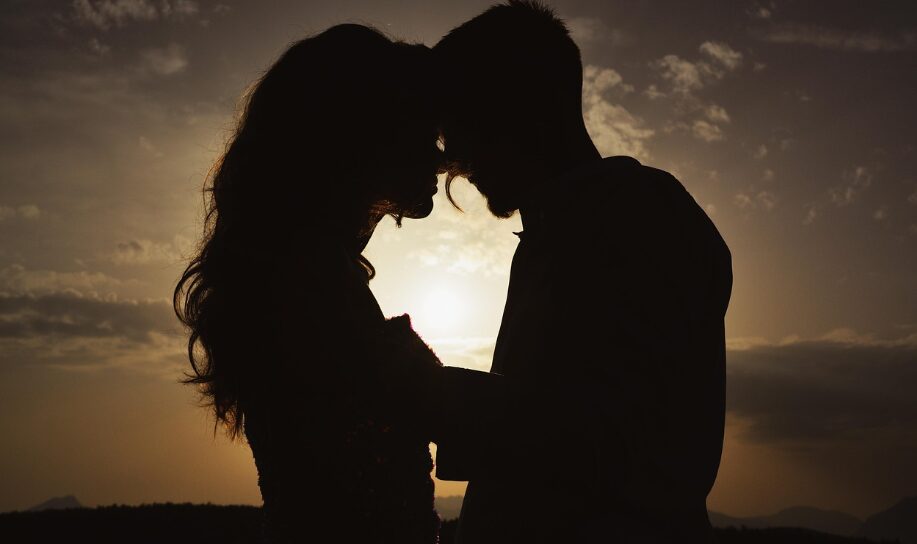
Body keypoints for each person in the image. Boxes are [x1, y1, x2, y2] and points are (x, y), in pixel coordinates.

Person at [430, 2, 733, 542]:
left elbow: (620, 443)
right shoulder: (558, 231)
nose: (454, 158)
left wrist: (429, 394)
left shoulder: (642, 217)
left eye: (463, 127)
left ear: (526, 112)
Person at [173, 24, 447, 544]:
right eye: (423, 133)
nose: (438, 156)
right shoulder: (308, 280)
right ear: (364, 135)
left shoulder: (298, 268)